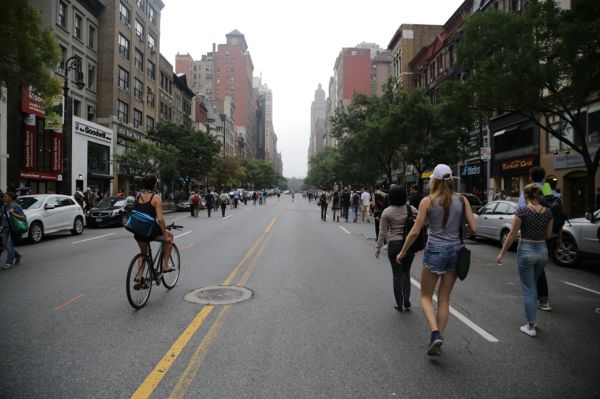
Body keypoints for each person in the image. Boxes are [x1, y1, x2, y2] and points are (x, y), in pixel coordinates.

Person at [397, 164, 477, 356]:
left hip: (435, 251)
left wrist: (403, 251)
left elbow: (415, 231)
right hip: (455, 251)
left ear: (434, 180)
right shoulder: (462, 200)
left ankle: (435, 334)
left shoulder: (427, 201)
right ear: (450, 181)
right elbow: (474, 228)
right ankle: (439, 337)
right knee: (444, 298)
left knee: (425, 296)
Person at [498, 183, 553, 337]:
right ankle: (532, 321)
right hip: (542, 251)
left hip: (526, 250)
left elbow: (513, 234)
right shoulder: (548, 212)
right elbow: (548, 235)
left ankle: (531, 326)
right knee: (532, 286)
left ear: (525, 196)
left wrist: (502, 253)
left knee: (528, 289)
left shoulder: (522, 210)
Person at [518, 166, 564, 312]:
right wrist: (560, 235)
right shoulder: (550, 191)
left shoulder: (528, 190)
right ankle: (539, 297)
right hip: (550, 234)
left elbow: (520, 212)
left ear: (531, 177)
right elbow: (557, 215)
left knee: (534, 269)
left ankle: (541, 299)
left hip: (531, 237)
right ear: (543, 177)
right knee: (540, 267)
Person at [375, 187, 418, 312]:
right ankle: (407, 300)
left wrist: (377, 247)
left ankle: (399, 304)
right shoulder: (412, 209)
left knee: (396, 275)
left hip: (394, 244)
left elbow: (382, 232)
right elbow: (422, 223)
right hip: (409, 245)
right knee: (406, 273)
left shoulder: (387, 212)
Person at [131, 175, 175, 289]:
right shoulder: (156, 198)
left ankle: (139, 277)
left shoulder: (138, 196)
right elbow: (160, 219)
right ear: (154, 184)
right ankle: (165, 265)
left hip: (138, 230)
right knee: (170, 236)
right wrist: (165, 235)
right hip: (150, 230)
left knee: (143, 253)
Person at [1, 192, 25, 269]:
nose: (4, 198)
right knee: (6, 245)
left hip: (13, 229)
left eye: (5, 197)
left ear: (11, 198)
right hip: (5, 229)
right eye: (3, 197)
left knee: (9, 245)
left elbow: (22, 218)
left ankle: (9, 263)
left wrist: (13, 213)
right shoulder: (4, 207)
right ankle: (18, 255)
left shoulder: (17, 207)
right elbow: (1, 215)